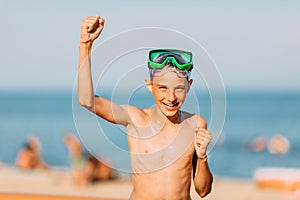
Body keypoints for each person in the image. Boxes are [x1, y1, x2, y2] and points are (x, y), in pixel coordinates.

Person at [78, 16, 213, 199]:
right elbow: (87, 101)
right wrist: (85, 46)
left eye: (179, 88)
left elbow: (203, 191)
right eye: (163, 88)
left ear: (189, 85)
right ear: (150, 86)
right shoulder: (135, 119)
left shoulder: (196, 124)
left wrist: (203, 157)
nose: (171, 98)